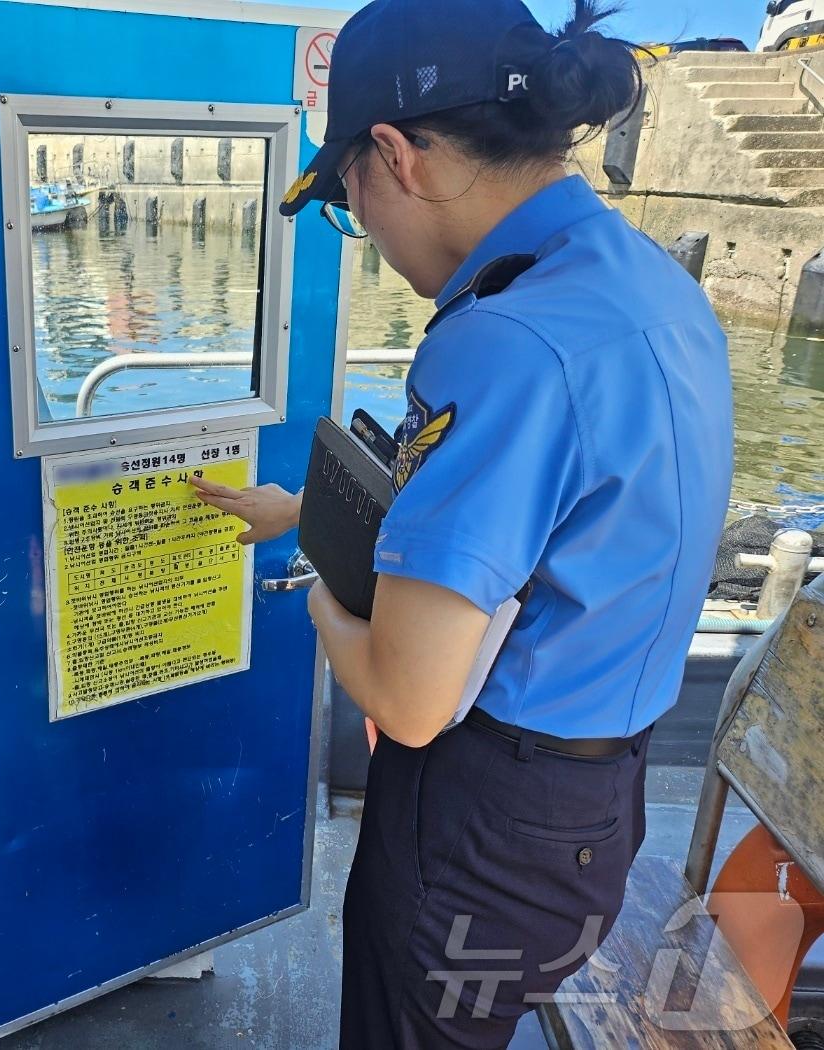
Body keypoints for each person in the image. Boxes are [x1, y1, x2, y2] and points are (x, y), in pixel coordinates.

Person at [191, 0, 734, 1046]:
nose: (371, 242)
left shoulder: (502, 341)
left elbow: (405, 698)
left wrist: (312, 591)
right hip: (589, 816)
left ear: (392, 155)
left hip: (477, 838)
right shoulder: (644, 288)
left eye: (347, 206)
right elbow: (552, 517)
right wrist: (306, 511)